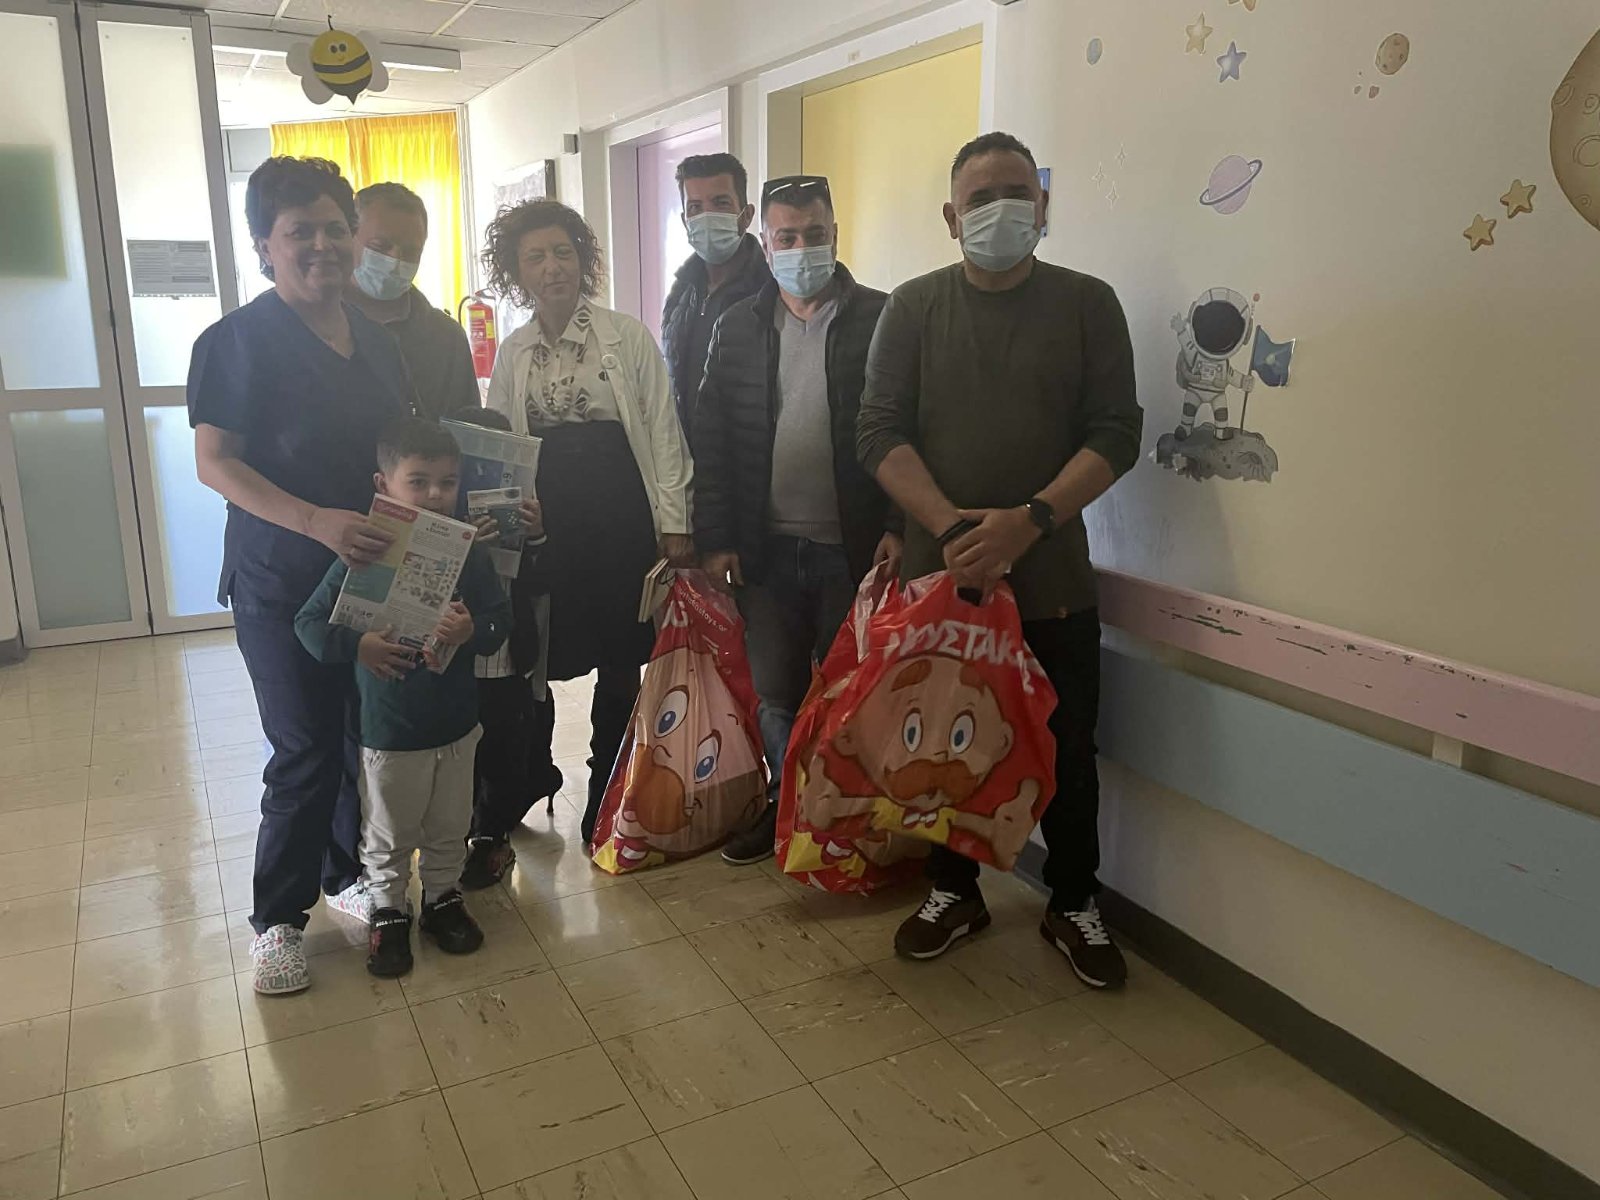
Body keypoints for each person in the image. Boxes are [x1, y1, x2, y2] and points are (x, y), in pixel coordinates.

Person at [857, 132, 1144, 989]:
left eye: (1016, 192)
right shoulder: (913, 309)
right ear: (952, 218)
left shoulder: (1088, 304)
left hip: (1053, 580)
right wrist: (953, 532)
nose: (1000, 210)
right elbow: (877, 433)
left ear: (1044, 206)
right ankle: (954, 891)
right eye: (979, 199)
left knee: (1068, 750)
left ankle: (1073, 900)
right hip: (944, 586)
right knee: (942, 744)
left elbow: (1117, 434)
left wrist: (1031, 521)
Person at [189, 156, 414, 996]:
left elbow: (400, 453)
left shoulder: (378, 342)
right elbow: (216, 462)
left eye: (335, 228)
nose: (323, 245)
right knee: (303, 748)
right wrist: (315, 520)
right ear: (264, 246)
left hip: (370, 574)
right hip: (281, 578)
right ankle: (278, 920)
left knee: (360, 734)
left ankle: (343, 871)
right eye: (299, 232)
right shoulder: (236, 343)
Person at [692, 174, 901, 866]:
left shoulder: (882, 318)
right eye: (787, 237)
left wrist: (899, 524)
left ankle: (844, 819)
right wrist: (716, 538)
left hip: (856, 550)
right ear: (766, 241)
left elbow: (910, 430)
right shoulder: (736, 326)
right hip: (767, 552)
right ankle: (788, 807)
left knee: (849, 692)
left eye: (815, 234)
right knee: (775, 693)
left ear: (835, 234)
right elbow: (711, 443)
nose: (802, 248)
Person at [482, 199, 694, 845]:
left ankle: (608, 783)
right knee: (538, 652)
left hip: (620, 518)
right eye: (535, 257)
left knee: (619, 653)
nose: (552, 267)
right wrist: (507, 523)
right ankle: (534, 770)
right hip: (545, 522)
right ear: (517, 271)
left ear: (582, 258)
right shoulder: (514, 351)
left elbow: (663, 432)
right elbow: (502, 447)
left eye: (563, 252)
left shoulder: (625, 336)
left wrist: (675, 522)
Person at [295, 416, 510, 977]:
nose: (435, 494)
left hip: (457, 724)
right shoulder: (364, 553)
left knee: (449, 822)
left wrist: (472, 630)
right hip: (389, 730)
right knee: (388, 831)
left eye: (447, 481)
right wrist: (359, 645)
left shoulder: (469, 553)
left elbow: (499, 620)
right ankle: (388, 911)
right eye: (418, 481)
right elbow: (308, 625)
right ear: (383, 484)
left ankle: (442, 899)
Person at [446, 405, 561, 889]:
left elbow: (546, 582)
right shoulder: (439, 514)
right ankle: (456, 836)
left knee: (503, 749)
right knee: (461, 753)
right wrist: (462, 543)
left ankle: (491, 838)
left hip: (509, 658)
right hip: (456, 660)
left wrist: (537, 535)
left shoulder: (528, 512)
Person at [344, 182, 480, 420]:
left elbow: (469, 432)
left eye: (410, 252)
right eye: (380, 246)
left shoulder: (446, 338)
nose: (395, 260)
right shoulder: (318, 327)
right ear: (348, 237)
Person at [661, 153, 772, 436]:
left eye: (720, 203)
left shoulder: (772, 292)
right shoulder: (680, 292)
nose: (706, 216)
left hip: (748, 456)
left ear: (746, 215)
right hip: (686, 456)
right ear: (685, 220)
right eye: (695, 207)